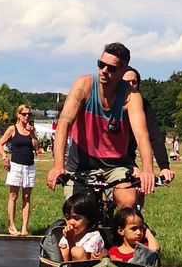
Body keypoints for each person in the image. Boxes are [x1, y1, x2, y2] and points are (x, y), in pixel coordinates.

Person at [47, 43, 156, 201]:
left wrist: (147, 170)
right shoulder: (84, 85)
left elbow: (142, 136)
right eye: (101, 65)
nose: (104, 71)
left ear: (123, 71)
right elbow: (64, 124)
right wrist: (58, 166)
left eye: (111, 68)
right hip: (81, 163)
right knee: (79, 212)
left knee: (128, 201)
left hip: (115, 165)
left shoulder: (131, 96)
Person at [0, 105, 37, 236]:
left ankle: (24, 227)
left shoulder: (31, 130)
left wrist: (32, 133)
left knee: (27, 196)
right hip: (16, 165)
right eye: (24, 114)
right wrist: (4, 157)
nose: (27, 116)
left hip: (29, 166)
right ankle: (12, 225)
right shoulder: (12, 129)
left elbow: (36, 148)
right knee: (13, 195)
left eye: (29, 114)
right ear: (18, 115)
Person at [58, 194, 105, 262]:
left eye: (76, 218)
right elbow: (65, 263)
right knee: (63, 250)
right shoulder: (66, 236)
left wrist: (71, 241)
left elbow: (81, 260)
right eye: (68, 218)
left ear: (88, 219)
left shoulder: (94, 237)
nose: (71, 222)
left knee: (77, 252)